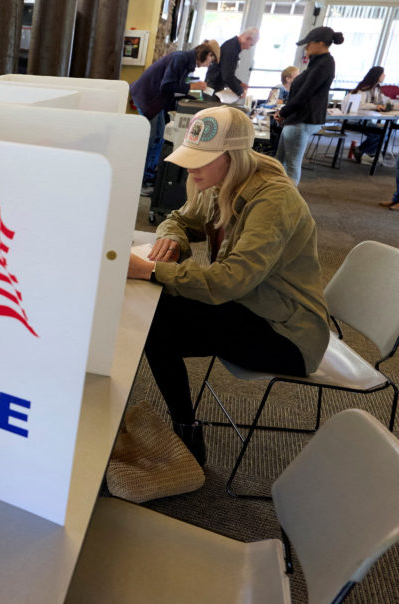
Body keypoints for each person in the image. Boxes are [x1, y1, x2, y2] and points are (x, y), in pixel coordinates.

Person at [127, 106, 330, 465]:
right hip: (250, 306)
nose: (191, 168)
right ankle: (185, 428)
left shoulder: (273, 199)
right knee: (155, 320)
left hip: (288, 334)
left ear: (232, 157)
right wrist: (173, 240)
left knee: (157, 320)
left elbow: (229, 281)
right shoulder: (221, 181)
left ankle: (185, 431)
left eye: (201, 160)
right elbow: (178, 219)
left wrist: (150, 271)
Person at [130, 40, 221, 197]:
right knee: (154, 140)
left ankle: (148, 177)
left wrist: (190, 95)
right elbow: (167, 86)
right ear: (208, 54)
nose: (209, 64)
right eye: (211, 60)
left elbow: (174, 87)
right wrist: (191, 88)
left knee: (157, 138)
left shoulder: (186, 61)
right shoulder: (181, 59)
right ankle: (143, 182)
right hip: (148, 98)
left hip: (152, 98)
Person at [274, 26, 345, 185]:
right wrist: (285, 113)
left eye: (309, 43)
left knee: (290, 167)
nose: (306, 47)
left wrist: (283, 112)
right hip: (298, 119)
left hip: (302, 120)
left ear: (320, 43)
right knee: (280, 164)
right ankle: (279, 199)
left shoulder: (324, 64)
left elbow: (304, 94)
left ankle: (289, 204)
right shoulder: (319, 63)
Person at [349, 66, 393, 163]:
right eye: (383, 74)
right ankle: (363, 152)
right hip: (356, 121)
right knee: (381, 135)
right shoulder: (364, 89)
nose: (384, 75)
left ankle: (361, 151)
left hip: (365, 120)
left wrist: (392, 105)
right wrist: (375, 107)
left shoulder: (376, 89)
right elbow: (360, 105)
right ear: (377, 76)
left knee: (383, 134)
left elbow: (386, 100)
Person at [206, 28, 260, 101]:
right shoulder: (231, 49)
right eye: (251, 45)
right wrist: (240, 91)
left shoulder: (232, 45)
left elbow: (227, 71)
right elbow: (228, 76)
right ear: (248, 38)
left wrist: (239, 83)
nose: (248, 48)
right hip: (212, 87)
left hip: (214, 85)